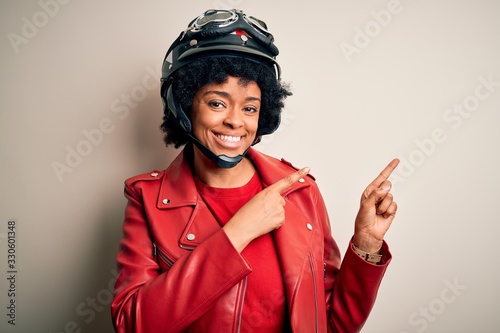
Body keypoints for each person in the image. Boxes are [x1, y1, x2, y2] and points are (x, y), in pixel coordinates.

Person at [111, 8, 399, 333]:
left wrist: (365, 245)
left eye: (250, 108)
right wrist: (238, 232)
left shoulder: (301, 192)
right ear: (185, 104)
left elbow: (330, 323)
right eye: (217, 103)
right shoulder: (146, 199)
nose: (236, 120)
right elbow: (132, 323)